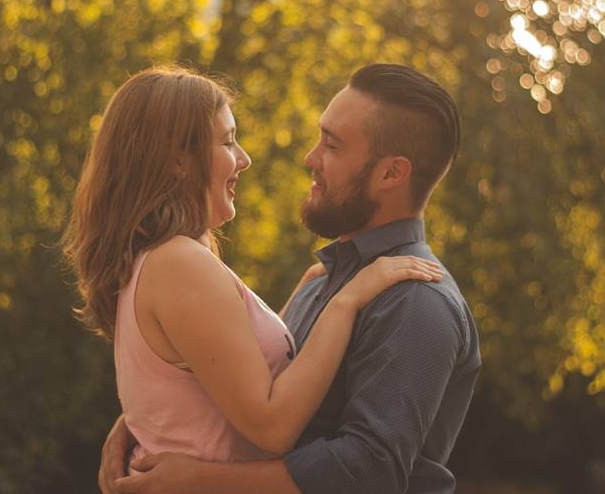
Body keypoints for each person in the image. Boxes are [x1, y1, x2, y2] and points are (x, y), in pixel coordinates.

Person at [99, 63, 482, 494]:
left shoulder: (415, 300)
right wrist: (140, 421)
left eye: (332, 147)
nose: (310, 158)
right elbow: (230, 381)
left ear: (391, 174)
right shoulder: (323, 282)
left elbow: (367, 471)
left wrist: (201, 480)